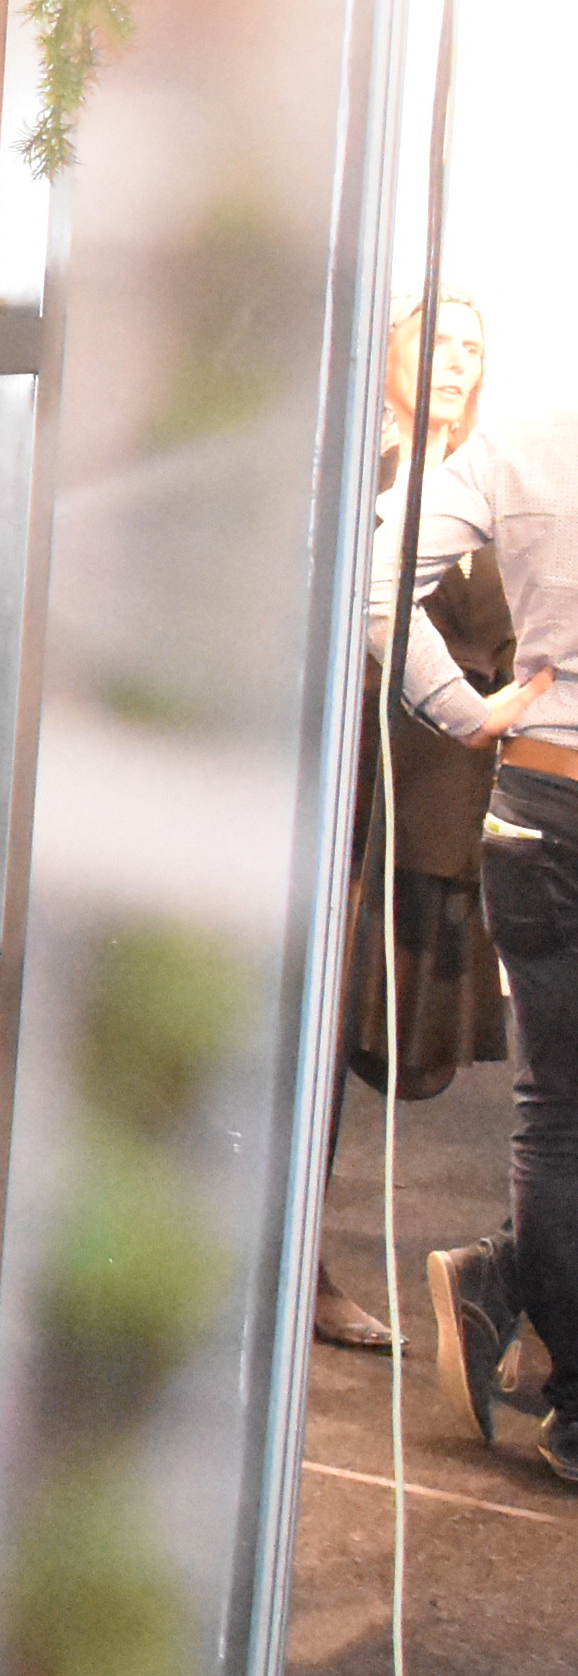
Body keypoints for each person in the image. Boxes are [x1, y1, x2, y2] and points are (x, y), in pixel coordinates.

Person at [383, 340, 578, 1484]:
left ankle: (522, 1306)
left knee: (553, 1113)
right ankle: (506, 1281)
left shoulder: (522, 445)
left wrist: (461, 710)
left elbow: (371, 581)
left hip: (536, 796)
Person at [322, 296, 511, 1351]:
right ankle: (297, 1270)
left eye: (471, 346)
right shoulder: (360, 472)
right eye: (435, 338)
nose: (455, 361)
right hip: (354, 789)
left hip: (446, 807)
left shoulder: (490, 487)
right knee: (319, 1033)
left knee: (392, 1044)